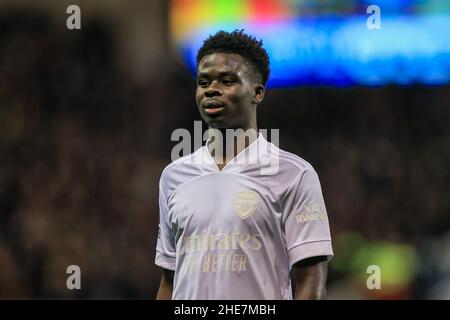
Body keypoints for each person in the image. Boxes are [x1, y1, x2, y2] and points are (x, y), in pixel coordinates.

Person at [155, 30, 333, 300]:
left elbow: (310, 278)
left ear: (257, 92)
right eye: (204, 82)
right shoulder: (174, 176)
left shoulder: (294, 175)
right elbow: (169, 280)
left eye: (227, 80)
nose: (211, 89)